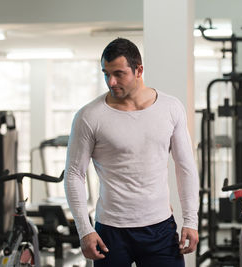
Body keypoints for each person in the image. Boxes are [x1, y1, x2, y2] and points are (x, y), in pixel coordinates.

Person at [64, 38, 199, 267]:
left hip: (160, 228)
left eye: (118, 73)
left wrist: (191, 220)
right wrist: (84, 230)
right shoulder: (89, 116)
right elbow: (74, 174)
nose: (111, 81)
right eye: (105, 74)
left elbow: (185, 166)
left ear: (139, 70)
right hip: (110, 232)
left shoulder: (170, 108)